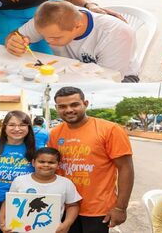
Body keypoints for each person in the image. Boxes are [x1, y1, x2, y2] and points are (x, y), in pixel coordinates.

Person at [47, 87, 134, 232]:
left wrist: (121, 207)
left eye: (74, 104)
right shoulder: (55, 133)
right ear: (56, 108)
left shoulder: (110, 129)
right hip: (65, 207)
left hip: (98, 210)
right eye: (62, 106)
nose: (68, 110)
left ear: (85, 104)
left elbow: (125, 168)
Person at [5, 0, 139, 81]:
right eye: (42, 35)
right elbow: (15, 35)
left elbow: (108, 79)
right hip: (69, 72)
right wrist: (13, 42)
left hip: (120, 78)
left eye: (55, 37)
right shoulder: (49, 19)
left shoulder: (115, 34)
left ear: (78, 26)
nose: (47, 41)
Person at [0, 147, 81, 233]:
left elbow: (73, 205)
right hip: (20, 230)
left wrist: (67, 224)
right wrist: (1, 219)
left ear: (58, 165)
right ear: (33, 162)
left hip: (53, 230)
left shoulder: (66, 183)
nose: (46, 165)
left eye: (51, 162)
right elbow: (9, 201)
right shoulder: (19, 181)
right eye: (41, 162)